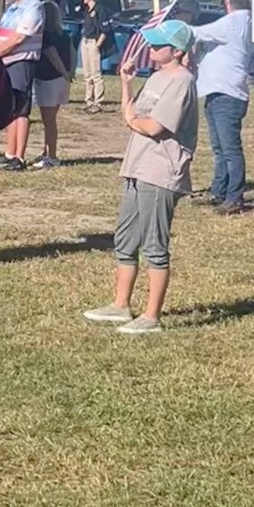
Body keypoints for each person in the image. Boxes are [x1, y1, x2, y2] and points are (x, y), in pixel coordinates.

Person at [83, 19, 198, 334]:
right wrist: (125, 84)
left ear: (176, 51)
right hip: (137, 166)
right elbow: (131, 115)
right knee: (125, 238)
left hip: (160, 172)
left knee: (154, 245)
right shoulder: (158, 77)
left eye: (158, 45)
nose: (151, 48)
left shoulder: (182, 81)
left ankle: (151, 316)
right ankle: (121, 306)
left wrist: (133, 119)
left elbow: (154, 126)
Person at [192, 0, 254, 214]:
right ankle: (219, 190)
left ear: (227, 1)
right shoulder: (251, 25)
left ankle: (234, 196)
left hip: (226, 93)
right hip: (227, 90)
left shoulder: (231, 23)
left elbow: (198, 32)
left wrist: (173, 25)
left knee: (228, 149)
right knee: (221, 147)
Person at [0, 0, 44, 171]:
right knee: (9, 107)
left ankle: (19, 157)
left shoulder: (34, 6)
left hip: (21, 61)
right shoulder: (13, 6)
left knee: (21, 109)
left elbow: (20, 37)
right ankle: (9, 152)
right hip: (6, 61)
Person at [31, 0, 74, 169]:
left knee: (49, 122)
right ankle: (46, 151)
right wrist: (68, 73)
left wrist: (63, 72)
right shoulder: (65, 34)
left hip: (48, 80)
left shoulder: (45, 36)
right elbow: (72, 52)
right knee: (50, 119)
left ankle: (52, 156)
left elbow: (52, 55)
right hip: (62, 81)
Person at [80, 0, 113, 113]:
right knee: (87, 74)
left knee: (96, 74)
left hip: (94, 42)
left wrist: (98, 44)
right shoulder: (87, 10)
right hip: (85, 41)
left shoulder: (100, 9)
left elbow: (105, 29)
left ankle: (98, 102)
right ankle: (88, 100)